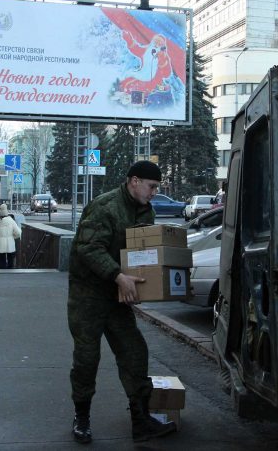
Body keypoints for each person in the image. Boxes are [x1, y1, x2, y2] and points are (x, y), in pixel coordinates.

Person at [67, 160, 177, 444]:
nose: (154, 193)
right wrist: (118, 276)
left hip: (117, 294)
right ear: (134, 181)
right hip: (88, 293)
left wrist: (150, 283)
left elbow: (143, 253)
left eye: (157, 188)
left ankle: (140, 421)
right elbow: (88, 249)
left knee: (134, 352)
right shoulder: (105, 207)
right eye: (152, 186)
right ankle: (81, 418)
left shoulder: (146, 211)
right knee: (87, 358)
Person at [0, 204, 21, 268]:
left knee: (1, 261)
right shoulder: (11, 221)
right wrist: (13, 237)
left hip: (1, 243)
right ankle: (10, 271)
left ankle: (2, 271)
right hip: (10, 243)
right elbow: (18, 233)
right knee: (11, 260)